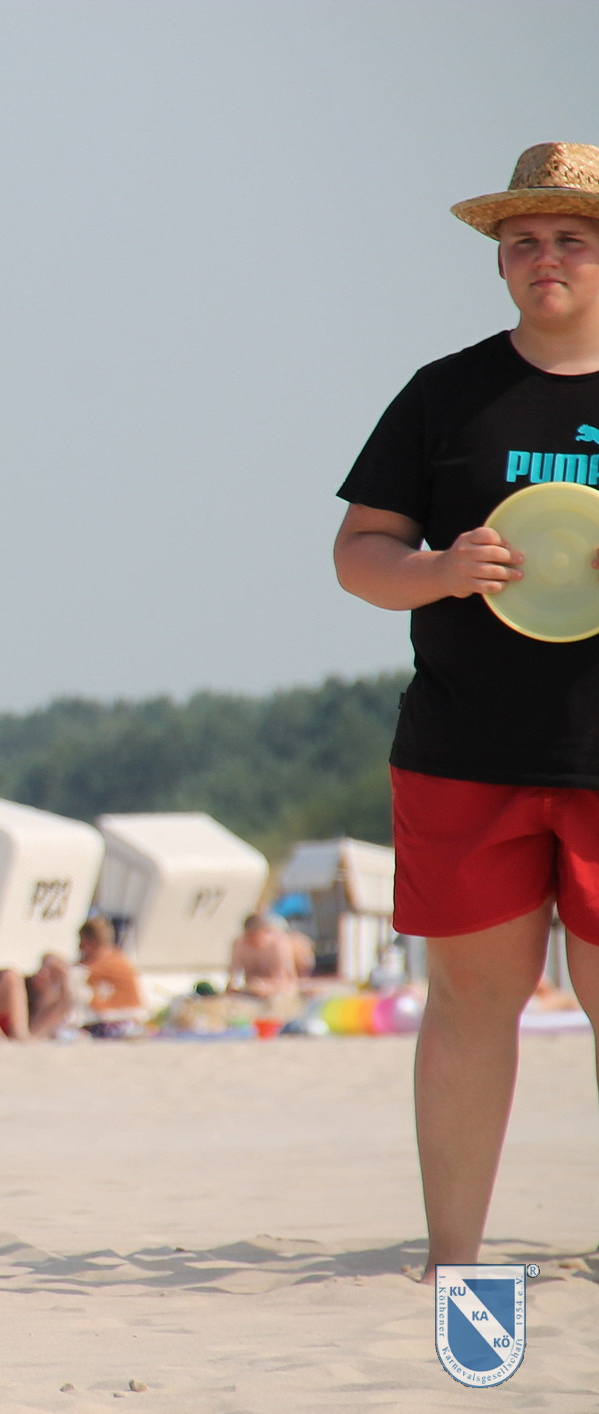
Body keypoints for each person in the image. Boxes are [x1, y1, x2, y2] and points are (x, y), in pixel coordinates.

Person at [332, 142, 599, 1273]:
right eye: (523, 240)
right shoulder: (445, 392)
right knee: (469, 1004)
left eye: (571, 238)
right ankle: (455, 1256)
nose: (546, 258)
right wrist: (438, 570)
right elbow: (359, 552)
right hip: (463, 748)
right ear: (497, 262)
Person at [76, 918, 144, 1021]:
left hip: (119, 1018)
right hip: (125, 1016)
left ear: (91, 942)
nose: (80, 947)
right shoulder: (117, 956)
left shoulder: (105, 962)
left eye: (82, 942)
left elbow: (75, 973)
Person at [228, 912, 301, 998]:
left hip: (277, 992)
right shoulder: (240, 944)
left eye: (256, 936)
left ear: (266, 932)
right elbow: (235, 974)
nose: (253, 941)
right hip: (250, 992)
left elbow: (286, 978)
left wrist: (265, 986)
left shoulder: (278, 944)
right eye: (249, 936)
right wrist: (234, 986)